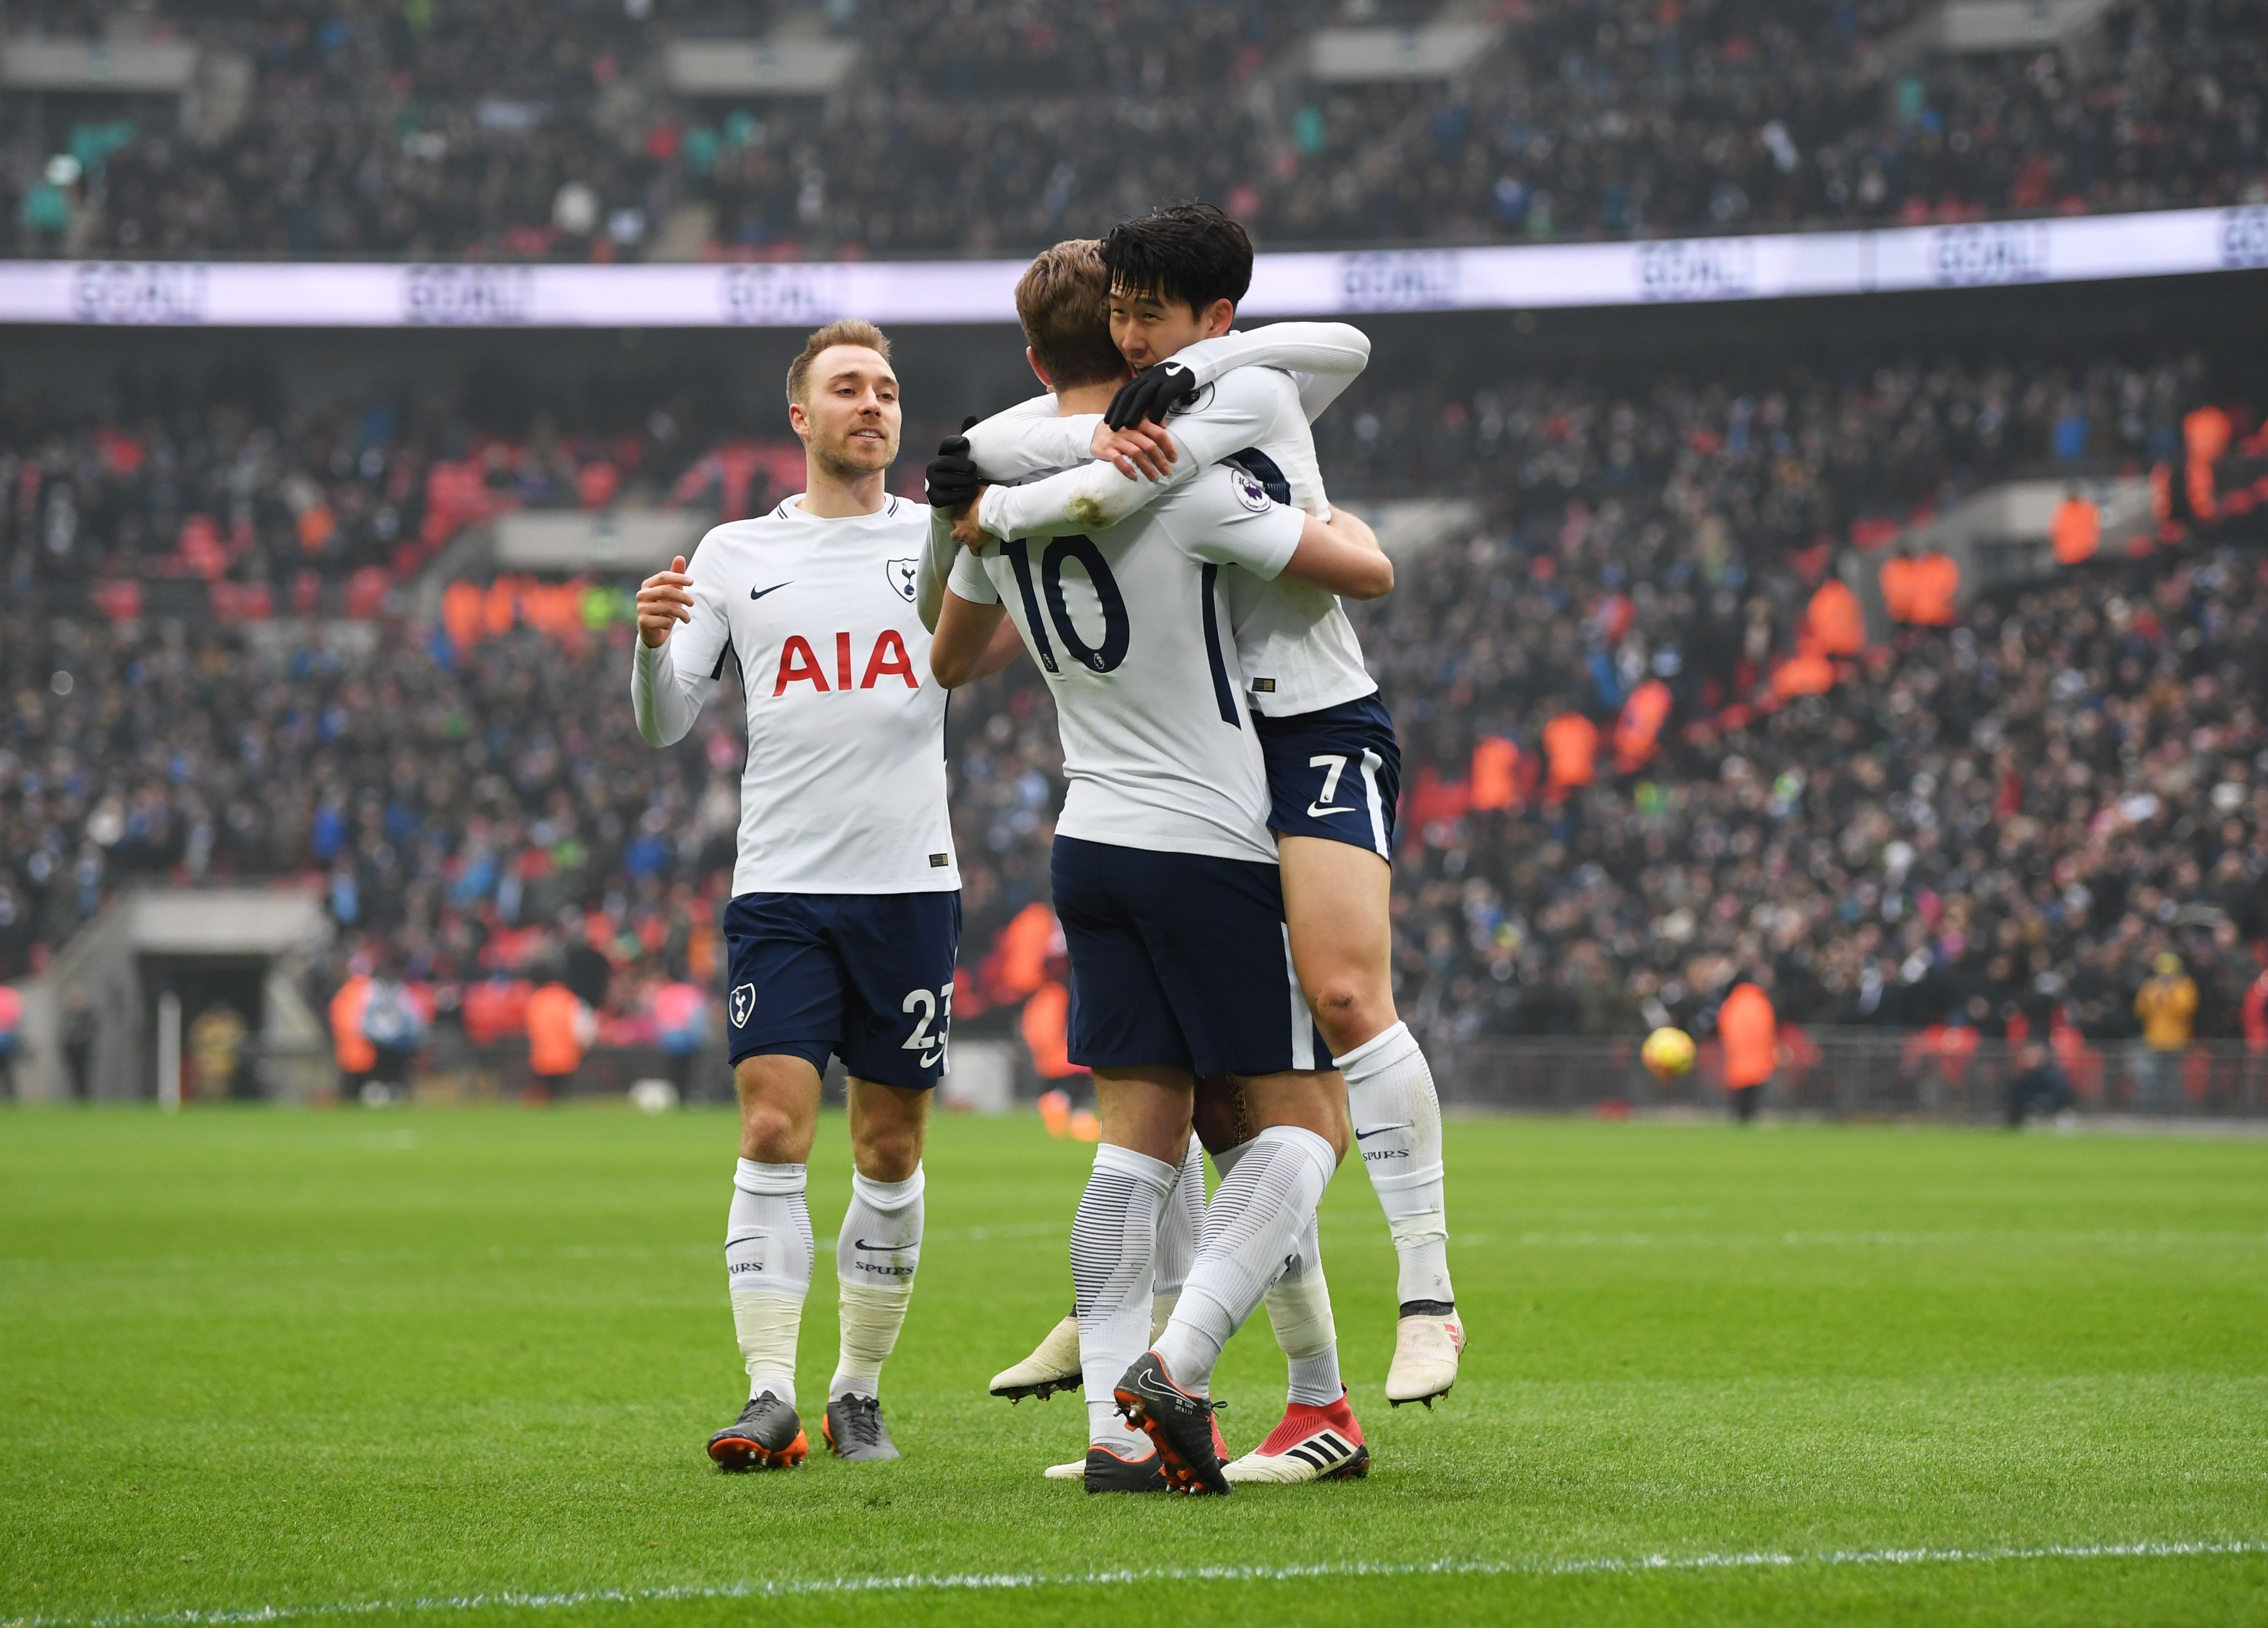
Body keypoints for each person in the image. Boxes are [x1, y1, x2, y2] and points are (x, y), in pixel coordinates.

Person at [954, 203, 1467, 1431]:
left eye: (1153, 318)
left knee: (1343, 1002)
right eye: (1117, 316)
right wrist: (971, 477)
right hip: (1208, 748)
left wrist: (984, 503)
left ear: (1213, 321)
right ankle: (1250, 1373)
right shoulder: (1122, 411)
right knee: (1213, 1095)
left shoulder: (1235, 398)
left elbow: (1322, 369)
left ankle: (1428, 1292)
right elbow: (1028, 454)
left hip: (1317, 719)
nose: (1132, 338)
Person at [634, 319, 1021, 1472]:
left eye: (887, 389)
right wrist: (645, 649)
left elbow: (1010, 641)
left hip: (908, 885)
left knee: (890, 1146)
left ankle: (857, 1389)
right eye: (847, 387)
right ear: (798, 416)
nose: (873, 404)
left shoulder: (946, 539)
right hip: (783, 888)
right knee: (768, 1128)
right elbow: (666, 721)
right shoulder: (736, 552)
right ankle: (768, 1391)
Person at [2133, 952, 2198, 1111]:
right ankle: (2149, 1109)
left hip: (2177, 1041)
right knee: (2152, 1078)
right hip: (2154, 1040)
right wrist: (2156, 996)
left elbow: (2185, 1009)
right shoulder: (2150, 987)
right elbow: (2140, 1010)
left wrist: (2169, 994)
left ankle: (2176, 1109)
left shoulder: (2185, 987)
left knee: (2175, 1079)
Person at [524, 968, 593, 1103]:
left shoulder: (537, 1000)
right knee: (561, 1101)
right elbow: (582, 1031)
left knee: (545, 1101)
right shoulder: (570, 1000)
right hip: (566, 1059)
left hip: (542, 1059)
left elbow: (530, 1029)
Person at [1718, 976, 1777, 1123]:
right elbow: (1768, 1030)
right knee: (1754, 1091)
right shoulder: (1762, 1003)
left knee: (1740, 1091)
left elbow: (1725, 1028)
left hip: (1737, 1056)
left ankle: (1740, 1116)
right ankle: (1751, 1115)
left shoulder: (1732, 1003)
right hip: (1759, 1057)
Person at [328, 963, 377, 1103]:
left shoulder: (346, 991)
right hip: (363, 1040)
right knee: (360, 1076)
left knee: (351, 1074)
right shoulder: (368, 990)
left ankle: (351, 1098)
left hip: (349, 1041)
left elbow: (335, 1014)